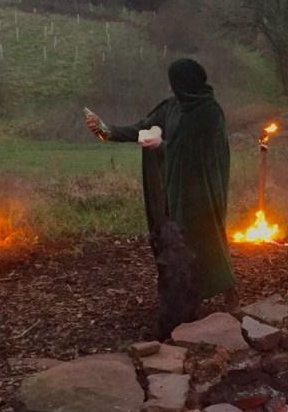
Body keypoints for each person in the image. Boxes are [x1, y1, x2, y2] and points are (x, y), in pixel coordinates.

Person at [86, 58, 239, 312]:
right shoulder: (173, 107)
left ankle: (229, 291)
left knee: (209, 239)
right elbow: (143, 127)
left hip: (203, 191)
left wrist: (161, 146)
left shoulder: (210, 112)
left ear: (184, 83)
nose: (170, 87)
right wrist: (107, 131)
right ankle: (186, 296)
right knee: (179, 243)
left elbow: (201, 156)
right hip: (175, 188)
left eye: (173, 82)